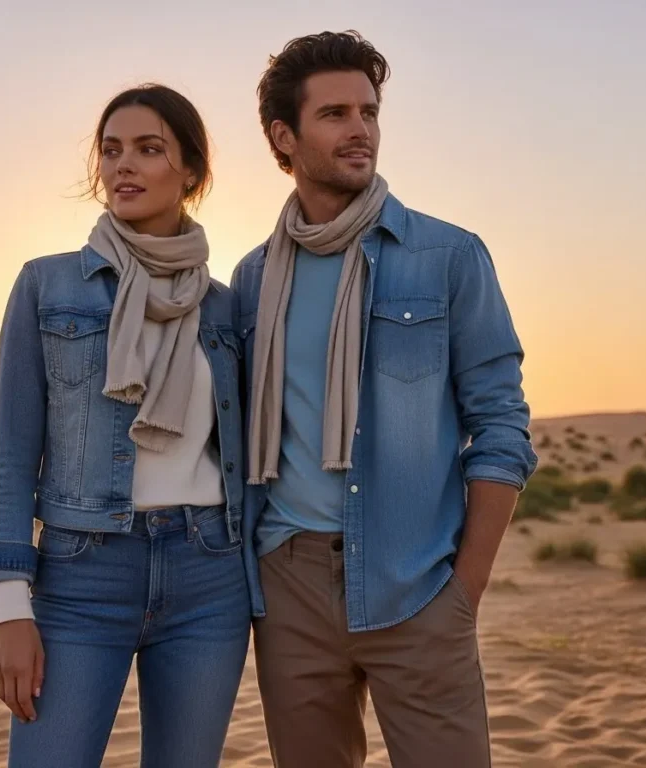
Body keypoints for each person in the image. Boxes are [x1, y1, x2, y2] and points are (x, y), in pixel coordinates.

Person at [231, 31, 538, 768]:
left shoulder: (448, 257)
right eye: (334, 113)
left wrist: (464, 590)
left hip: (418, 581)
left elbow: (501, 425)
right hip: (290, 585)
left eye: (369, 110)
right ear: (285, 135)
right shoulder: (252, 282)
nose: (360, 128)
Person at [0, 83, 250, 768]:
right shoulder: (48, 285)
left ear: (191, 172)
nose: (123, 166)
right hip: (80, 576)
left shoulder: (226, 307)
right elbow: (11, 452)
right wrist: (9, 609)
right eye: (111, 150)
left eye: (149, 149)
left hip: (209, 574)